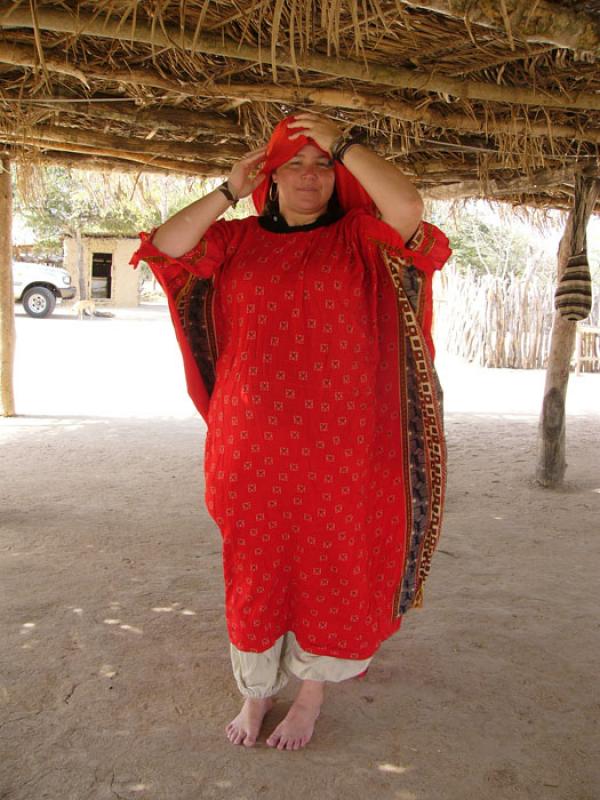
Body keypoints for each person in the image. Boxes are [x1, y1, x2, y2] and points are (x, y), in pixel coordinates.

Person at [130, 112, 451, 751]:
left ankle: (309, 696)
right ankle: (255, 693)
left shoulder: (362, 236)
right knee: (255, 566)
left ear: (339, 177)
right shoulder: (238, 239)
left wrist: (341, 141)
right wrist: (226, 189)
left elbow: (410, 207)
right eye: (292, 166)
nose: (310, 176)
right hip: (249, 446)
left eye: (322, 166)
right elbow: (165, 250)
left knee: (331, 562)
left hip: (344, 447)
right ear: (267, 182)